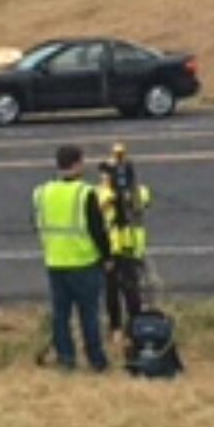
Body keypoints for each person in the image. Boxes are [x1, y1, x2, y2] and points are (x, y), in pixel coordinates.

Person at [33, 144, 114, 372]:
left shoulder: (42, 192)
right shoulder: (84, 193)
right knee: (89, 315)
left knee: (60, 315)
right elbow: (97, 229)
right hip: (83, 261)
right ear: (77, 163)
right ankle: (96, 359)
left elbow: (37, 223)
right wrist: (107, 257)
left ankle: (66, 358)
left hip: (55, 261)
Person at [95, 143, 152, 352]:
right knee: (112, 290)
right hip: (112, 248)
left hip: (130, 246)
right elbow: (102, 202)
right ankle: (115, 327)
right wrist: (110, 185)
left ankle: (135, 327)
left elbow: (141, 200)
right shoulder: (102, 194)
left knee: (132, 290)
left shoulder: (137, 193)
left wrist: (126, 191)